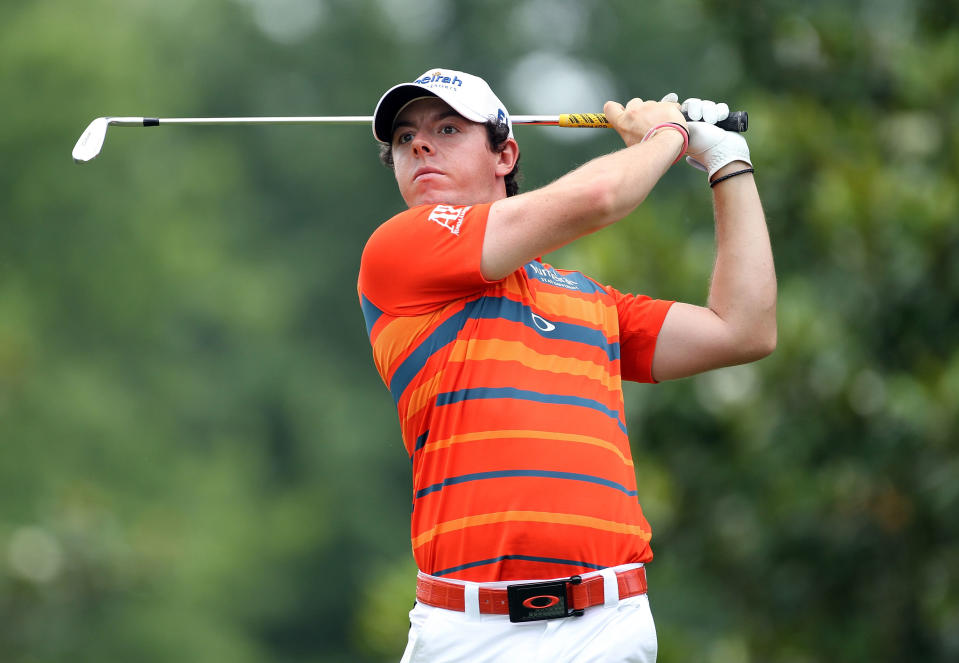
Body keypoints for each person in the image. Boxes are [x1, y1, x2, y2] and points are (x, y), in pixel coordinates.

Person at [357, 67, 776, 663]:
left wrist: (728, 165)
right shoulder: (399, 252)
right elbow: (601, 197)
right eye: (404, 138)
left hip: (608, 624)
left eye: (448, 128)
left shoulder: (588, 300)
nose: (420, 144)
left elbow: (744, 328)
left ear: (505, 154)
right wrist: (666, 135)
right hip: (469, 629)